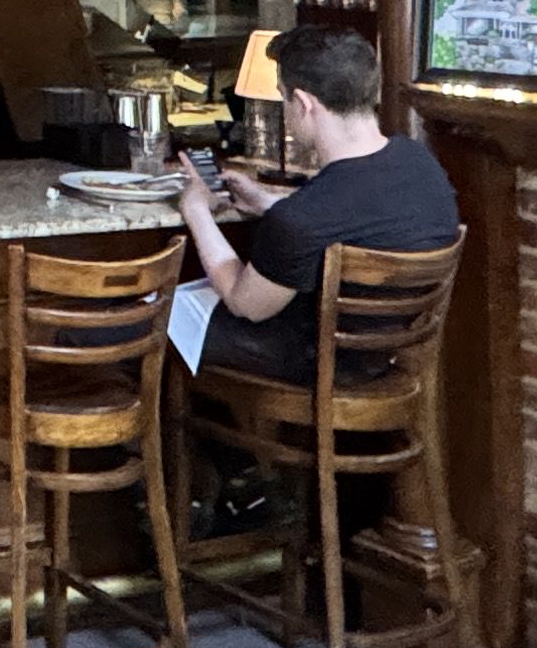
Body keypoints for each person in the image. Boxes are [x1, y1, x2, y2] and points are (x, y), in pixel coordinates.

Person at [169, 23, 459, 381]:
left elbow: (245, 305)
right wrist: (269, 204)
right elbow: (354, 213)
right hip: (387, 357)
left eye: (283, 96)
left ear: (305, 103)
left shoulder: (301, 219)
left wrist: (197, 211)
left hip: (321, 366)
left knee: (152, 319)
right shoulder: (420, 162)